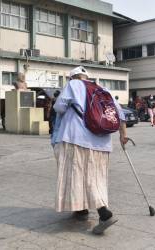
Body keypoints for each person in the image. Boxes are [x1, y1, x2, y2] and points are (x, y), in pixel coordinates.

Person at [51, 66, 128, 235]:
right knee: (95, 176)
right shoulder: (102, 89)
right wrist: (123, 136)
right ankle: (81, 210)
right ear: (87, 77)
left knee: (80, 175)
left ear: (72, 78)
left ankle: (104, 213)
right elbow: (120, 114)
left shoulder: (73, 85)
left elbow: (59, 107)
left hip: (77, 138)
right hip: (103, 142)